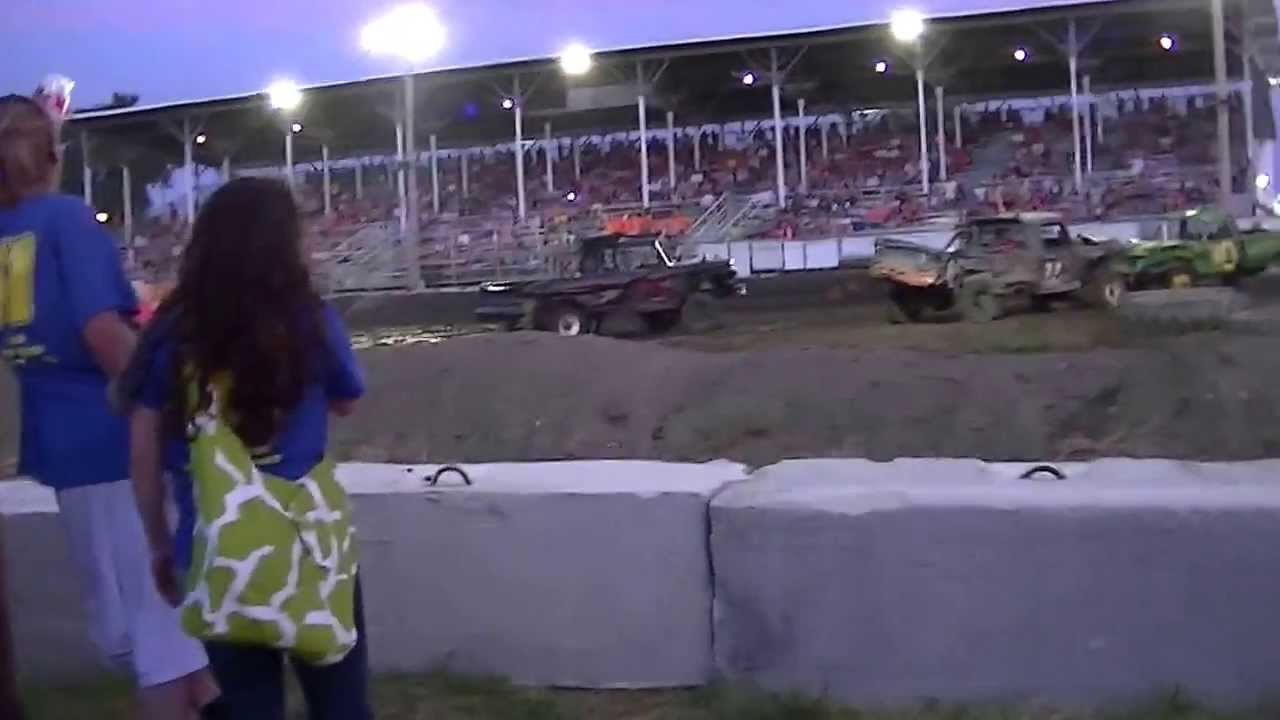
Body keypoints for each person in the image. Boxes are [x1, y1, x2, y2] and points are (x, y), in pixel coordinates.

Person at [0, 94, 217, 718]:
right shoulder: (67, 220)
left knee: (138, 623)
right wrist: (174, 405)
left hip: (58, 442)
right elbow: (103, 332)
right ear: (53, 155)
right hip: (115, 439)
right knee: (159, 626)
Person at [128, 177, 371, 720]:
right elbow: (347, 399)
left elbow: (143, 453)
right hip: (309, 548)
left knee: (247, 706)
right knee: (341, 704)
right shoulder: (310, 319)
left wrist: (161, 545)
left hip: (214, 550)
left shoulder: (170, 332)